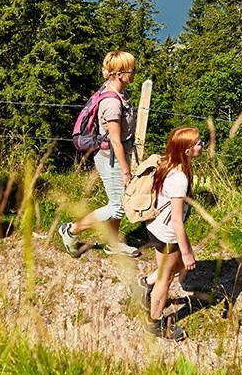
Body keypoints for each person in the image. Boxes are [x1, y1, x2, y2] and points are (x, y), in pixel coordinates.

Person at [59, 50, 141, 258]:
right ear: (120, 73)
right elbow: (115, 140)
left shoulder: (116, 90)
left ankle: (113, 243)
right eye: (132, 69)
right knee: (118, 207)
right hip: (112, 159)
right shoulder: (112, 103)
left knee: (119, 201)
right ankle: (71, 230)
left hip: (118, 154)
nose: (135, 72)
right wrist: (126, 170)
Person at [138, 126, 203, 341]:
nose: (202, 145)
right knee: (166, 278)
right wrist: (186, 252)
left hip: (155, 226)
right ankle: (155, 324)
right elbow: (176, 220)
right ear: (187, 150)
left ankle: (144, 284)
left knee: (174, 268)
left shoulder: (167, 163)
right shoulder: (179, 179)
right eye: (198, 143)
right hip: (167, 234)